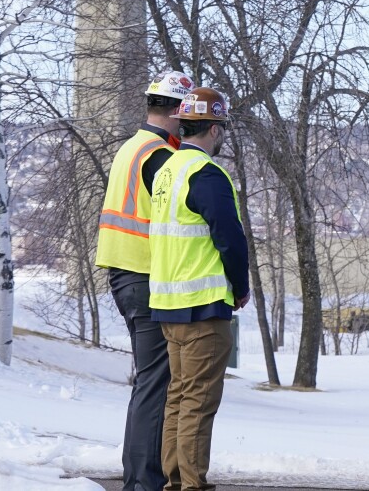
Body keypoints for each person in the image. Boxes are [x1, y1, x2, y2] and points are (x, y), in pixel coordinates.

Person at [95, 71, 193, 491]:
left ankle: (140, 477)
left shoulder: (132, 147)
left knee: (150, 382)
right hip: (146, 276)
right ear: (176, 110)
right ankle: (143, 482)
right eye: (187, 112)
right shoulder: (159, 156)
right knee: (155, 384)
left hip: (125, 274)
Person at [147, 87, 249, 491]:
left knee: (178, 399)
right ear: (213, 128)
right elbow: (230, 237)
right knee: (197, 404)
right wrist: (240, 287)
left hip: (169, 306)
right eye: (220, 128)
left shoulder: (165, 171)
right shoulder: (206, 174)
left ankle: (175, 480)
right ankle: (191, 484)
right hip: (203, 309)